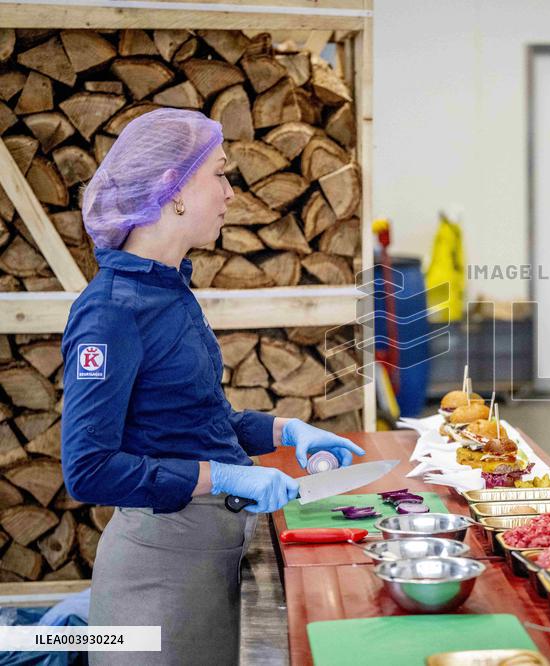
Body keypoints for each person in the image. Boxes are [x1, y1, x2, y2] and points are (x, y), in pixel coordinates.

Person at [61, 108, 366, 665]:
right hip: (160, 578)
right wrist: (223, 474)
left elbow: (195, 419)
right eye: (219, 175)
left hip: (209, 558)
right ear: (172, 191)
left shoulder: (171, 291)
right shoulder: (109, 313)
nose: (229, 193)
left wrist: (283, 430)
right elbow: (88, 469)